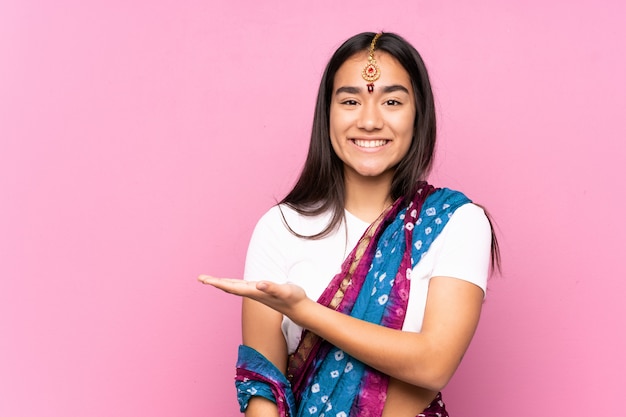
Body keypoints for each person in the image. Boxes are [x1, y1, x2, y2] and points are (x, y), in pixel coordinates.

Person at [199, 31, 499, 417]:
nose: (370, 121)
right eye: (351, 101)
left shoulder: (456, 223)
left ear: (418, 113)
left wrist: (304, 311)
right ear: (327, 113)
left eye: (391, 101)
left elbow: (433, 363)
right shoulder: (281, 227)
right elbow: (263, 385)